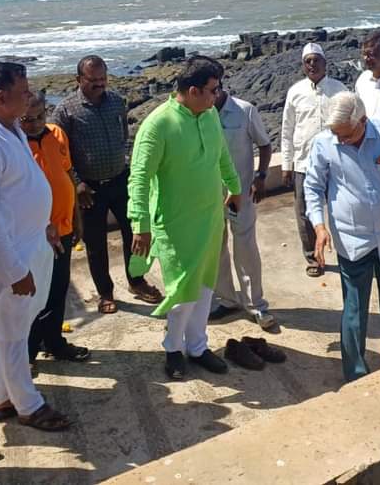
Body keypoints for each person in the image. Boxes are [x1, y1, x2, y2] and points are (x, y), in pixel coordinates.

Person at [0, 61, 72, 432]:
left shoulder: (10, 128)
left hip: (28, 242)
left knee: (14, 326)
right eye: (24, 92)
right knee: (14, 333)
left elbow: (23, 187)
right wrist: (14, 270)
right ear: (2, 98)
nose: (30, 97)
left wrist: (45, 224)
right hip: (7, 255)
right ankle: (28, 405)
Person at [128, 56, 244, 381]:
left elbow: (222, 155)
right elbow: (139, 178)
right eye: (212, 90)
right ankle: (173, 349)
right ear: (193, 91)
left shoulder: (209, 115)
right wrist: (140, 224)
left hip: (211, 219)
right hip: (175, 225)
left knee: (205, 288)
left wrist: (235, 187)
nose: (217, 96)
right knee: (181, 293)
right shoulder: (158, 124)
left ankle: (197, 346)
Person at [305, 91, 380, 383]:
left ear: (363, 120)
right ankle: (355, 371)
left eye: (347, 134)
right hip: (352, 239)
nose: (342, 140)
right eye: (337, 135)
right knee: (354, 309)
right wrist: (319, 226)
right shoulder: (324, 143)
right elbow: (313, 187)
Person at [50, 54, 163, 315]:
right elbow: (58, 152)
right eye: (93, 80)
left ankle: (136, 281)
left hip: (121, 180)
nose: (100, 84)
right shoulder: (65, 111)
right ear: (79, 79)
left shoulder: (115, 101)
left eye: (103, 78)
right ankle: (105, 293)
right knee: (95, 244)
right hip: (88, 189)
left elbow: (123, 136)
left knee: (135, 233)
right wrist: (78, 183)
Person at [22, 91, 90, 365]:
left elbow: (68, 176)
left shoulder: (57, 134)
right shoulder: (15, 144)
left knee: (58, 289)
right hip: (34, 235)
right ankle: (26, 353)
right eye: (28, 119)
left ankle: (54, 342)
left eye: (40, 116)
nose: (35, 123)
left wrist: (76, 219)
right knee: (33, 296)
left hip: (63, 228)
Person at [209, 81, 276, 329]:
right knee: (216, 247)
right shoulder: (200, 112)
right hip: (210, 195)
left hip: (242, 194)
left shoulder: (245, 110)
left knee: (246, 248)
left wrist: (261, 176)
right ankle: (226, 300)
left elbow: (265, 144)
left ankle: (255, 304)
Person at [280, 43, 348, 277]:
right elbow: (287, 130)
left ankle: (347, 255)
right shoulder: (295, 92)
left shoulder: (339, 90)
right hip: (303, 164)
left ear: (325, 63)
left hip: (336, 162)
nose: (312, 65)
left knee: (342, 210)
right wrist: (287, 165)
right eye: (307, 61)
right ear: (303, 65)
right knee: (305, 213)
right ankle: (313, 257)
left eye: (316, 60)